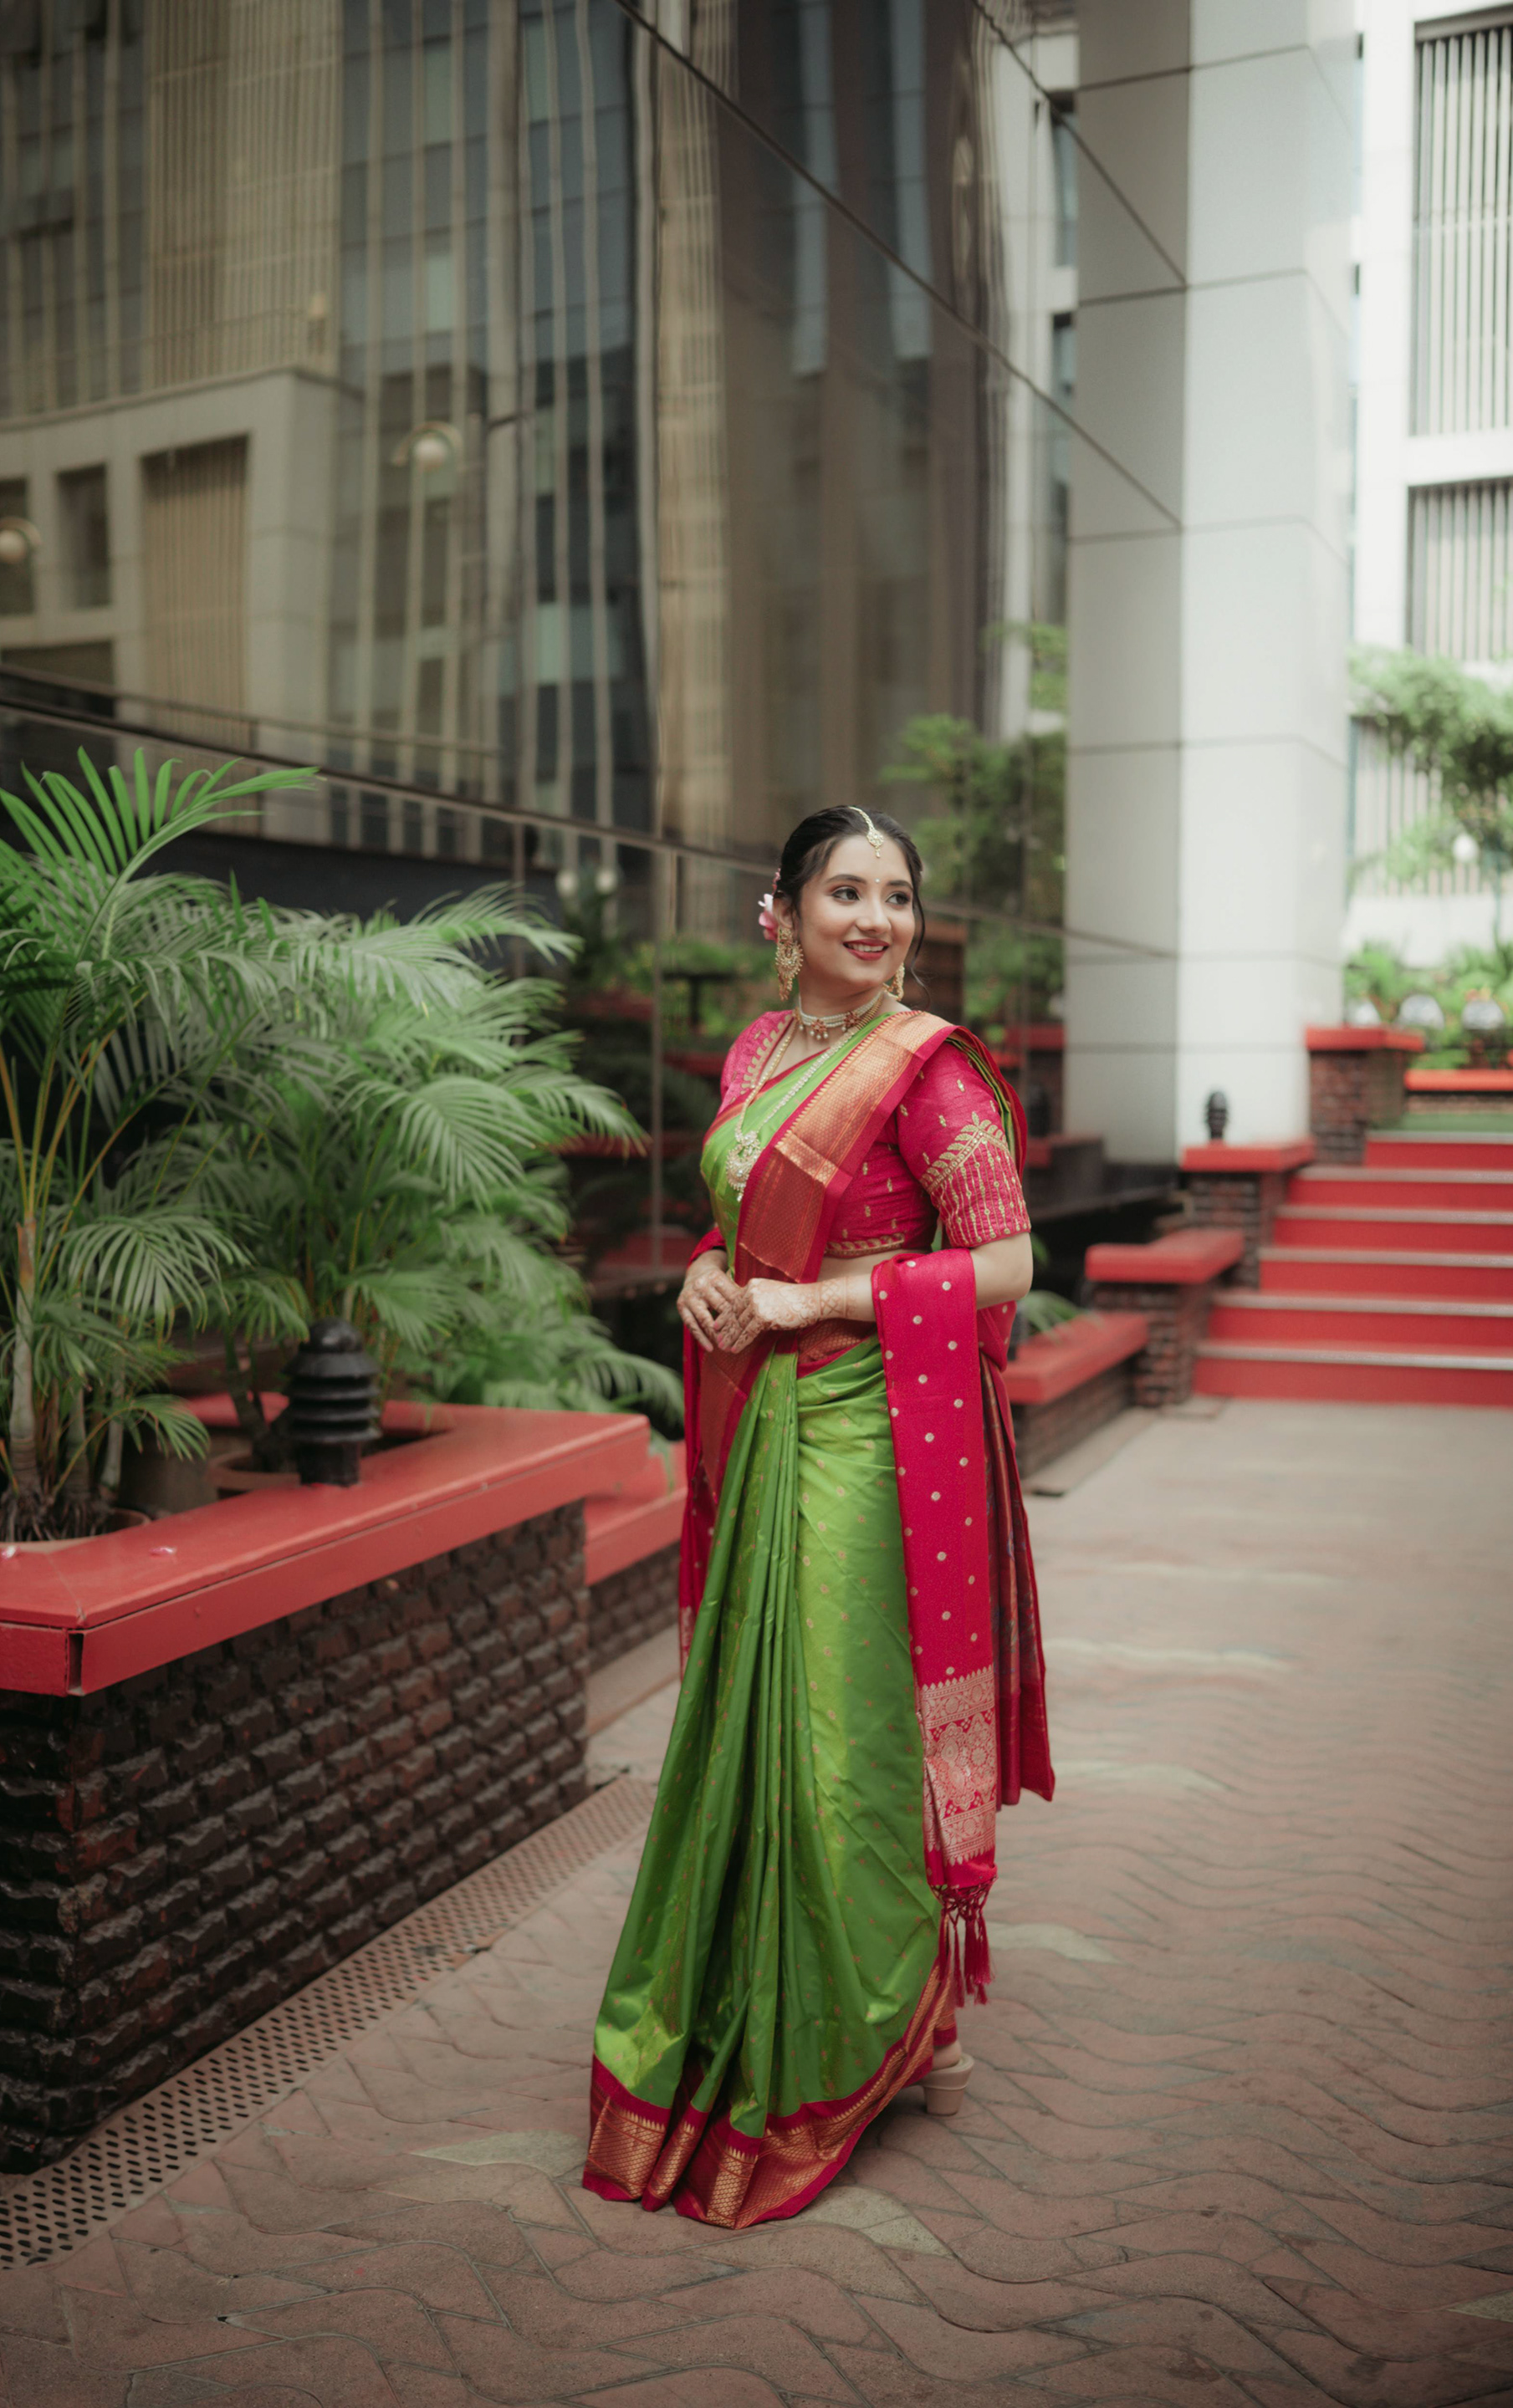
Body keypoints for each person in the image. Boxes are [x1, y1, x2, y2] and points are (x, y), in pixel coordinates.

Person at [582, 804, 1052, 2230]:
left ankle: (891, 2025)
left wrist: (815, 1302)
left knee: (842, 1740)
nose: (876, 919)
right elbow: (745, 1232)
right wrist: (709, 1277)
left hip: (869, 1438)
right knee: (749, 1724)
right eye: (846, 892)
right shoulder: (757, 1053)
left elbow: (1005, 1264)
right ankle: (756, 2001)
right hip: (761, 1426)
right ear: (780, 912)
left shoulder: (929, 1072)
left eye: (896, 896)